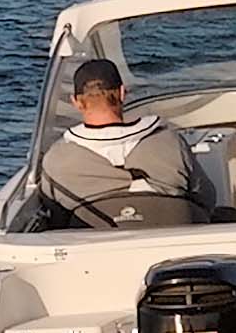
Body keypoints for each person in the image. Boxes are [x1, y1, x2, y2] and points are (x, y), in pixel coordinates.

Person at [40, 58, 213, 227]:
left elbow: (56, 218)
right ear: (122, 93)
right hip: (172, 238)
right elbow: (206, 198)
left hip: (97, 242)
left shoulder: (57, 160)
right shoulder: (170, 142)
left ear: (76, 102)